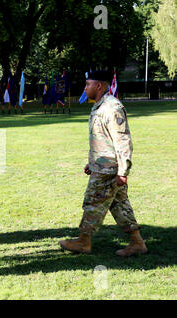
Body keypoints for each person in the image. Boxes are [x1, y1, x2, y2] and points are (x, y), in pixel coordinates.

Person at [58, 70, 148, 257]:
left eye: (87, 84)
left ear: (98, 86)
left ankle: (84, 242)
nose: (85, 88)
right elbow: (102, 139)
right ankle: (137, 242)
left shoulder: (112, 107)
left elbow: (122, 140)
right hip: (103, 165)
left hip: (109, 169)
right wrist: (92, 162)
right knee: (119, 204)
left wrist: (123, 171)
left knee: (92, 202)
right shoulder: (100, 106)